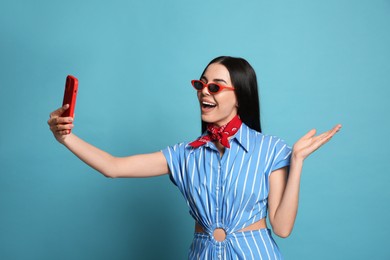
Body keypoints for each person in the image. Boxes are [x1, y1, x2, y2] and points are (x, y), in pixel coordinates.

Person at [48, 56, 341, 259]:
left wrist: (298, 161)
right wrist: (66, 138)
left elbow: (282, 227)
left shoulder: (272, 150)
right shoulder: (185, 154)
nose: (204, 92)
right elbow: (113, 167)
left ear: (239, 96)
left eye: (215, 86)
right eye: (200, 84)